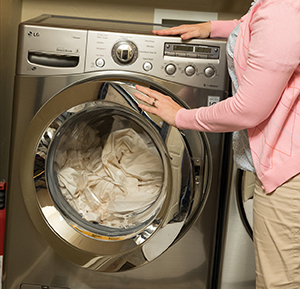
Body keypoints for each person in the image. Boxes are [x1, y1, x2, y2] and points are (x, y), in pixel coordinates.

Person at [134, 0, 300, 288]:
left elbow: (249, 109)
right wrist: (214, 28)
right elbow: (270, 36)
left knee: (279, 283)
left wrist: (181, 116)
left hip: (290, 175)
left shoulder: (283, 12)